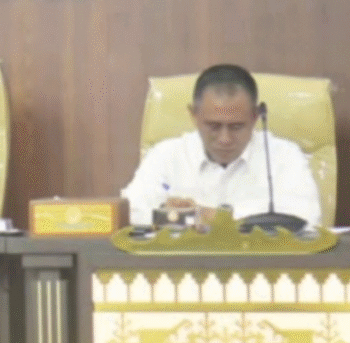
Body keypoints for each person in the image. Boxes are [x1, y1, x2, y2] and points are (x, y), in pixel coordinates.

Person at [121, 64, 321, 226]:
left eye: (236, 127)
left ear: (254, 117)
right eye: (214, 126)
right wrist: (178, 214)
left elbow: (308, 217)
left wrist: (212, 217)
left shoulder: (283, 156)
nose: (225, 139)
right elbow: (130, 212)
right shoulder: (166, 155)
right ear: (194, 115)